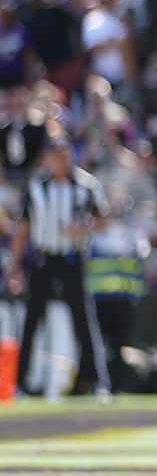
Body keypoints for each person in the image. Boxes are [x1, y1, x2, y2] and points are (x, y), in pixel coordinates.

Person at [6, 135, 109, 397]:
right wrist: (15, 267)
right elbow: (23, 229)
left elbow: (102, 220)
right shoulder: (36, 188)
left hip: (72, 258)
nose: (59, 161)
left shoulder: (85, 186)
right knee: (31, 321)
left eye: (63, 154)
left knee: (83, 320)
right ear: (47, 158)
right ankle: (20, 383)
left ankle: (95, 382)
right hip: (43, 259)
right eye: (54, 155)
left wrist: (82, 227)